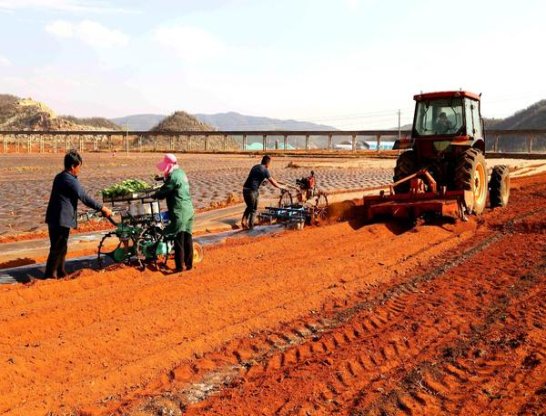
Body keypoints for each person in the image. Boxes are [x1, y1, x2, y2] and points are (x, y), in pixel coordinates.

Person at [44, 150, 112, 279]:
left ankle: (60, 272)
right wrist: (102, 208)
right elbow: (84, 197)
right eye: (79, 167)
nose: (79, 170)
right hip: (60, 218)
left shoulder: (60, 176)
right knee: (57, 247)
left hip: (55, 217)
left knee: (61, 246)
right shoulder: (69, 179)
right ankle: (49, 275)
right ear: (72, 166)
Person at [153, 154, 194, 273]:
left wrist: (154, 195)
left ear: (169, 165)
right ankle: (189, 264)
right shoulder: (181, 173)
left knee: (178, 238)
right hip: (189, 209)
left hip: (180, 210)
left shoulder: (173, 176)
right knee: (187, 236)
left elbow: (164, 192)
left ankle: (179, 267)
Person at [241, 155, 286, 229]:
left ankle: (244, 221)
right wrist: (282, 187)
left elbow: (254, 179)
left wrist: (263, 182)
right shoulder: (265, 170)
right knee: (254, 209)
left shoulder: (255, 166)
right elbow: (273, 182)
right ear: (268, 163)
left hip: (245, 189)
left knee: (249, 206)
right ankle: (251, 226)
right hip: (252, 191)